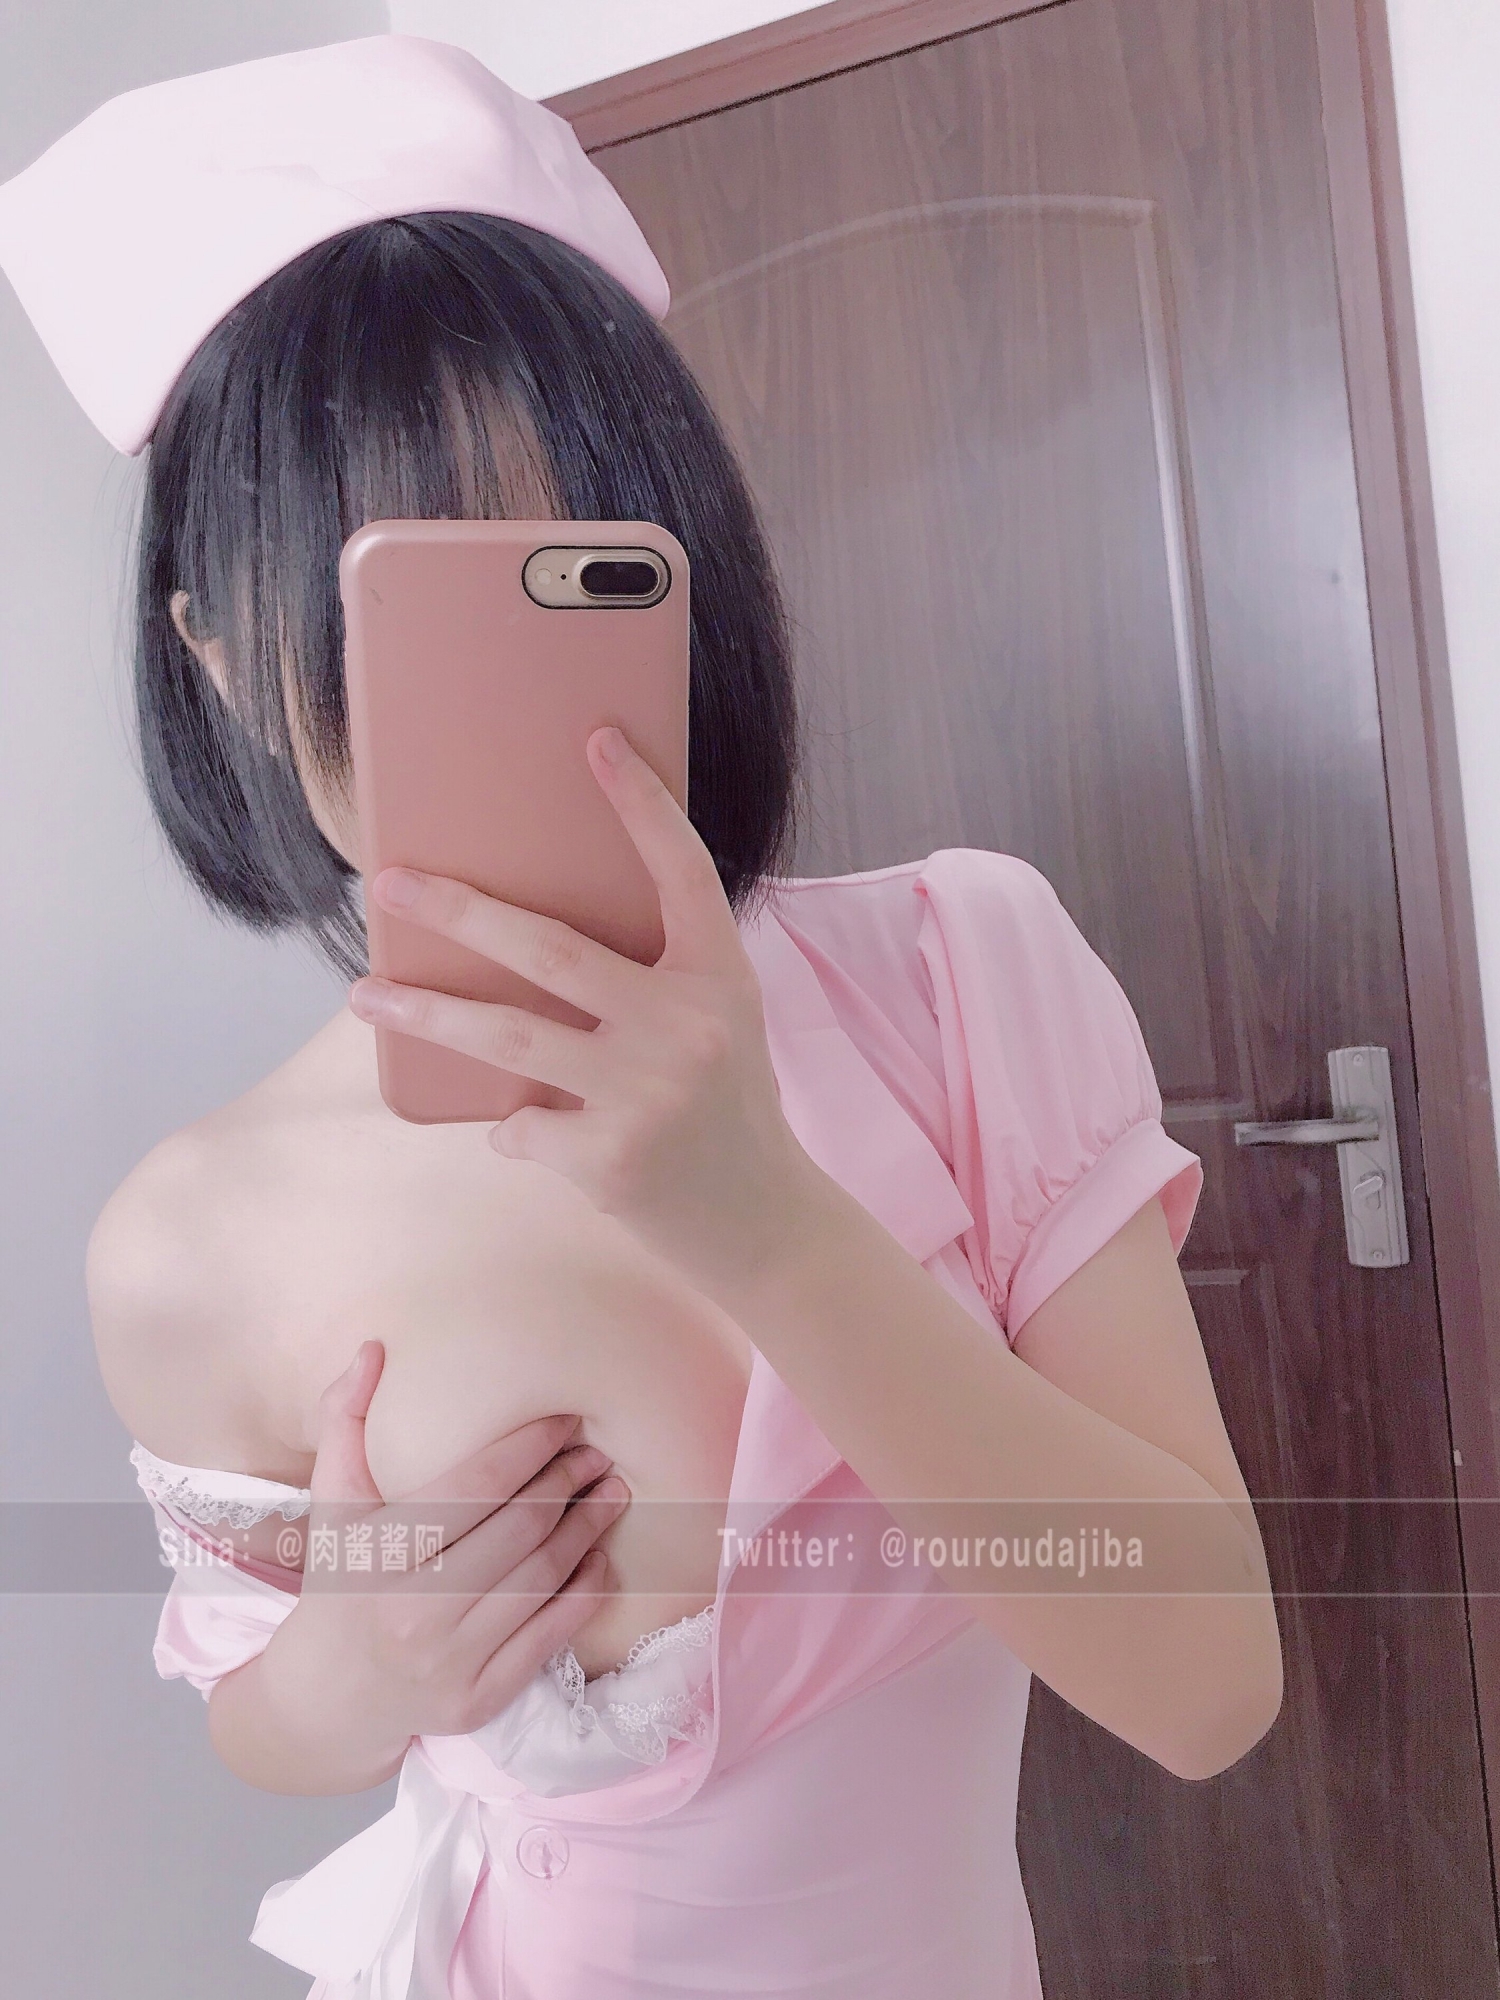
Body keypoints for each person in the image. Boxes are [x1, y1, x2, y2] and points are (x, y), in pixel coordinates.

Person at [0, 34, 1284, 2000]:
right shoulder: (191, 1238)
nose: (496, 683)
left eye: (563, 573)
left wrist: (761, 1219)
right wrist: (355, 1670)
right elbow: (263, 1709)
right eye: (392, 605)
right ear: (223, 661)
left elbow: (1206, 1686)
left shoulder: (963, 972)